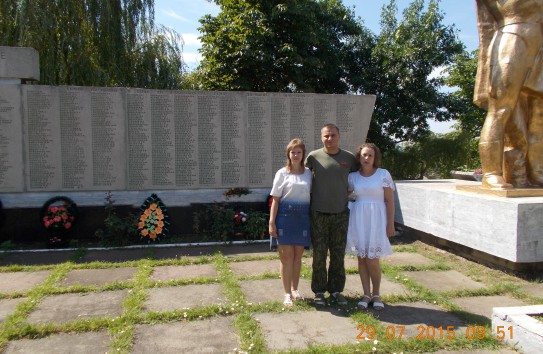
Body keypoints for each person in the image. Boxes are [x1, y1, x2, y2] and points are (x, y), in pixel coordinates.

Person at [474, 0, 543, 189]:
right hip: (512, 34)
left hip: (539, 40)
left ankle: (536, 171)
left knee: (539, 114)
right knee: (501, 109)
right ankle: (491, 173)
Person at [305, 123, 357, 306]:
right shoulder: (313, 157)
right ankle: (319, 291)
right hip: (318, 213)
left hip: (340, 214)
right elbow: (302, 176)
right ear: (321, 137)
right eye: (326, 136)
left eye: (333, 135)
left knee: (338, 255)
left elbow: (358, 179)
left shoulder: (349, 158)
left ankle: (336, 291)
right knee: (319, 255)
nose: (329, 139)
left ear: (339, 136)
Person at [346, 143, 395, 311]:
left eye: (370, 156)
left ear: (375, 158)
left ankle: (377, 294)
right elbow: (349, 197)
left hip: (377, 220)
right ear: (359, 157)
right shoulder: (352, 177)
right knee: (361, 259)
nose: (366, 158)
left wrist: (390, 224)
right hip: (358, 219)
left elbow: (390, 202)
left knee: (373, 260)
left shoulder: (383, 174)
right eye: (364, 155)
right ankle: (366, 294)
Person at [269, 138, 312, 306]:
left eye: (298, 152)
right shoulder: (282, 173)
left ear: (303, 154)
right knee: (286, 258)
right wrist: (272, 222)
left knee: (297, 257)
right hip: (284, 219)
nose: (295, 155)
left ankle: (295, 289)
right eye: (292, 152)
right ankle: (286, 293)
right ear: (288, 154)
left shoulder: (309, 173)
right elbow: (276, 200)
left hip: (302, 219)